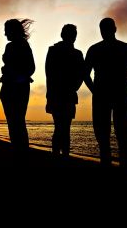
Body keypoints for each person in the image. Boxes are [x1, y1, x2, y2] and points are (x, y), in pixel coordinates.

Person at [84, 18, 127, 170]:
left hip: (109, 96)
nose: (105, 32)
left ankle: (113, 166)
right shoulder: (125, 48)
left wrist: (96, 90)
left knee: (113, 137)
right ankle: (121, 167)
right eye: (103, 29)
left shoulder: (96, 49)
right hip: (114, 95)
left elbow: (85, 75)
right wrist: (126, 88)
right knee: (119, 137)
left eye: (105, 29)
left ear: (113, 29)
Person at [45, 24, 84, 158]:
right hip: (61, 95)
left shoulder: (56, 51)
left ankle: (60, 154)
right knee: (63, 128)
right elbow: (49, 75)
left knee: (61, 128)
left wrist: (72, 88)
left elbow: (49, 76)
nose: (72, 37)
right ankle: (62, 155)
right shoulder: (57, 51)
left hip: (62, 95)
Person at [0, 19, 35, 157]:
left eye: (6, 30)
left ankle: (21, 152)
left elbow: (31, 68)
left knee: (18, 121)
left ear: (12, 31)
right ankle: (17, 151)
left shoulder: (23, 45)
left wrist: (15, 77)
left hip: (18, 88)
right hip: (8, 88)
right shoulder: (9, 46)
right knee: (13, 121)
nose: (4, 34)